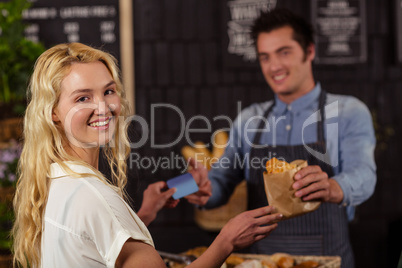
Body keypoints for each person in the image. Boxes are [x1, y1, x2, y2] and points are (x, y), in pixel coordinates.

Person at [11, 42, 282, 268]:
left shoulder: (56, 179)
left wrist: (145, 214)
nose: (104, 107)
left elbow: (96, 239)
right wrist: (227, 240)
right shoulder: (95, 197)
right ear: (53, 113)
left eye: (108, 91)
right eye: (83, 98)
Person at [185, 8, 376, 268]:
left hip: (330, 260)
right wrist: (195, 187)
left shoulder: (349, 112)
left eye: (283, 52)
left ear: (309, 51)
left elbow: (364, 173)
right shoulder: (248, 120)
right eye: (265, 57)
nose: (274, 66)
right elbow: (220, 179)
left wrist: (333, 187)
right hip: (262, 262)